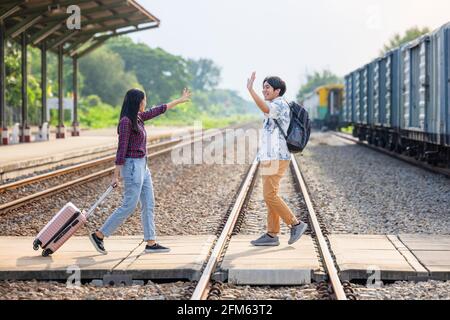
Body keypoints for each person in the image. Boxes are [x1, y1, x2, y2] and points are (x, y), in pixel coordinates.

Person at [89, 88, 191, 255]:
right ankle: (99, 235)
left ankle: (151, 242)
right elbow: (121, 149)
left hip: (143, 166)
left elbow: (159, 109)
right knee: (129, 205)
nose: (146, 103)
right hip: (132, 167)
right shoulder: (126, 122)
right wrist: (116, 174)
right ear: (137, 102)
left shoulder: (138, 118)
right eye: (144, 100)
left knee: (148, 204)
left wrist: (179, 100)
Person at [247, 72, 308, 246]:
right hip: (270, 156)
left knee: (269, 195)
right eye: (263, 87)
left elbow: (265, 109)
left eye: (267, 87)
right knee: (271, 195)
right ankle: (272, 234)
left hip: (277, 156)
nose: (264, 90)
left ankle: (295, 224)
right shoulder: (275, 104)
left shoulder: (280, 104)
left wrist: (251, 90)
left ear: (277, 90)